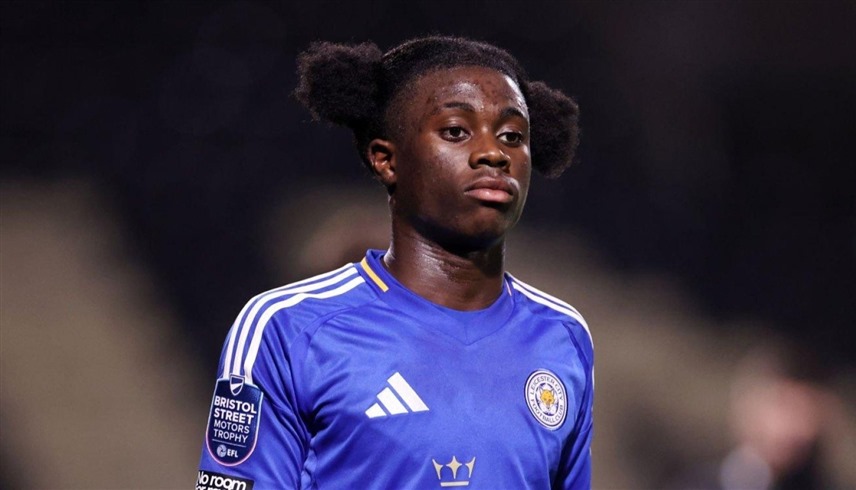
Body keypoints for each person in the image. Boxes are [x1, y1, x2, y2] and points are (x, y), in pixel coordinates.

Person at [197, 36, 592, 489]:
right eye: (456, 131)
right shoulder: (289, 328)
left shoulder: (563, 336)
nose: (494, 153)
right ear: (386, 160)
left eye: (512, 136)